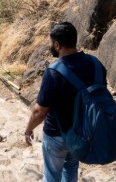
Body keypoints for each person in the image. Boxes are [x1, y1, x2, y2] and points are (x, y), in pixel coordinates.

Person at [24, 22, 107, 182]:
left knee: (51, 175)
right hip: (83, 132)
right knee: (70, 168)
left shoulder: (53, 72)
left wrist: (28, 131)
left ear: (57, 44)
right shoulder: (96, 65)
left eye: (51, 43)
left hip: (56, 134)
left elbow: (39, 111)